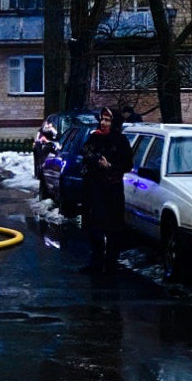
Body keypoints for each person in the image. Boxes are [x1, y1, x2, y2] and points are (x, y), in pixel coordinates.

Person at [79, 106, 133, 274]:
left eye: (107, 120)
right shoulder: (94, 138)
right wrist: (94, 161)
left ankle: (111, 263)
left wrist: (109, 165)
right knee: (94, 227)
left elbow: (127, 164)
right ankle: (96, 262)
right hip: (94, 189)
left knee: (113, 229)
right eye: (102, 119)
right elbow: (86, 154)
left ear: (114, 122)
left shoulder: (121, 141)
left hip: (112, 191)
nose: (103, 123)